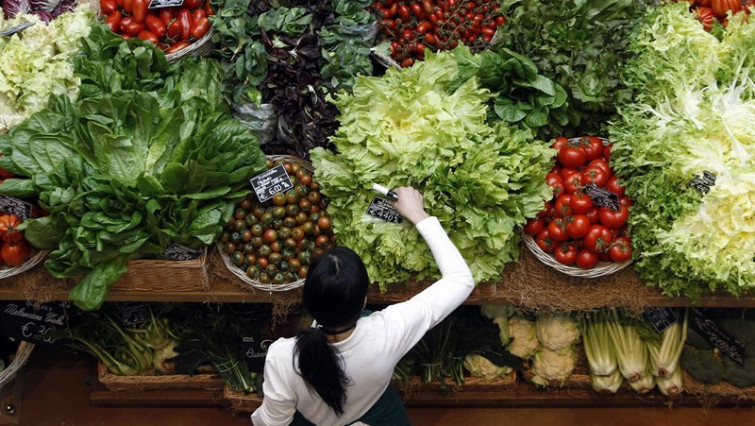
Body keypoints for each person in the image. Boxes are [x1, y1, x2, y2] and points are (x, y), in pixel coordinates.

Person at [251, 187, 475, 426]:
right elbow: (461, 280)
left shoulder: (282, 357)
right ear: (364, 302)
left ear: (307, 302)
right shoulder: (389, 331)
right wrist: (419, 215)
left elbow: (272, 423)